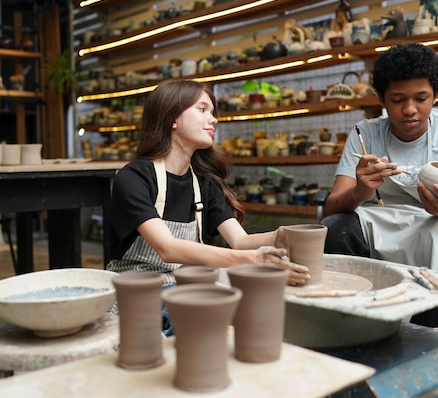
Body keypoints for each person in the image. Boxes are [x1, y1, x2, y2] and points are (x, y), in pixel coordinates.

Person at [106, 78, 310, 333]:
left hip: (186, 287)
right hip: (138, 292)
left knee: (249, 304)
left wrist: (280, 237)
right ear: (172, 118)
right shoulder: (134, 178)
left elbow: (241, 242)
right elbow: (167, 248)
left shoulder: (202, 184)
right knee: (200, 314)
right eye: (202, 110)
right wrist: (250, 260)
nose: (213, 119)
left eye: (213, 113)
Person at [322, 43, 438, 328]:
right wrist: (361, 190)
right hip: (377, 219)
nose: (410, 110)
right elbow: (331, 205)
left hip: (435, 222)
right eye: (397, 100)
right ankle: (354, 324)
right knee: (335, 228)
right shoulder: (365, 132)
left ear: (435, 96)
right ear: (382, 99)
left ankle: (429, 333)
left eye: (421, 98)